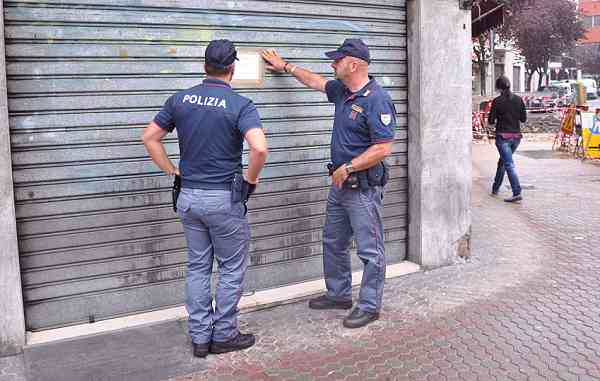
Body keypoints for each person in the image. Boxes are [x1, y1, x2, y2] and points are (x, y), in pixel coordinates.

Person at [142, 39, 268, 358]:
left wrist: (173, 171)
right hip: (223, 199)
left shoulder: (180, 100)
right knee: (230, 267)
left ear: (204, 67)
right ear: (232, 68)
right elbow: (260, 147)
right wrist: (250, 181)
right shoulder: (241, 105)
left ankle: (200, 338)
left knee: (198, 266)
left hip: (188, 197)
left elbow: (150, 137)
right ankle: (224, 334)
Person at [262, 39, 396, 329]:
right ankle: (339, 294)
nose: (332, 64)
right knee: (333, 241)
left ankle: (370, 305)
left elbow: (383, 147)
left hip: (361, 187)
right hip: (340, 184)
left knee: (370, 250)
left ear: (353, 64)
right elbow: (316, 82)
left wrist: (349, 166)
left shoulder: (376, 99)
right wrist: (285, 66)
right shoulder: (343, 92)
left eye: (337, 60)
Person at [488, 76, 526, 203]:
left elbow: (491, 121)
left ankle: (517, 191)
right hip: (516, 137)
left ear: (499, 88)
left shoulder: (497, 101)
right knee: (503, 162)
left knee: (508, 164)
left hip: (503, 137)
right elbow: (523, 119)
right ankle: (495, 188)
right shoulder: (519, 100)